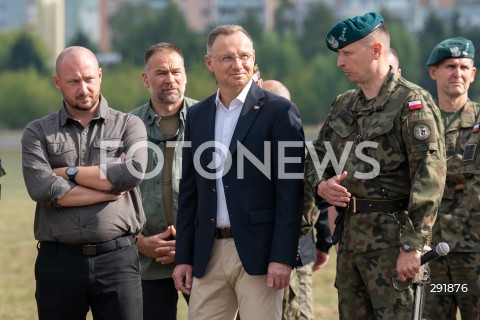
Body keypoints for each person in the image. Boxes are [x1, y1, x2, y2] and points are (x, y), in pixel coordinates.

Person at [304, 12, 446, 319]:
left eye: (346, 53)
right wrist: (321, 184)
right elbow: (316, 158)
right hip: (351, 242)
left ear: (376, 51)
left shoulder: (412, 104)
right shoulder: (344, 104)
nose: (340, 63)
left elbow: (429, 178)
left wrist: (413, 246)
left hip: (394, 244)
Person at [172, 24, 305, 320]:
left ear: (254, 58)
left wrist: (282, 256)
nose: (238, 64)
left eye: (244, 56)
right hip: (208, 254)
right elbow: (190, 191)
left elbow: (290, 192)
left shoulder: (279, 112)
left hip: (259, 254)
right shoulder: (197, 115)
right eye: (227, 58)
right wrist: (184, 257)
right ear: (209, 63)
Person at [21, 46, 148, 320]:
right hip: (58, 264)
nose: (83, 88)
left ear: (100, 75)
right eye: (73, 81)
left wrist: (66, 171)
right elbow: (41, 188)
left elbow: (133, 172)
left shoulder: (130, 125)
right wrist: (110, 190)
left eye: (89, 78)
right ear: (57, 82)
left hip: (117, 260)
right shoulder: (37, 132)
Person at [130, 42, 198, 320]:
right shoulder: (126, 126)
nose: (170, 79)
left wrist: (194, 241)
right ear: (145, 79)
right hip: (147, 260)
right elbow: (114, 195)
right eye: (160, 73)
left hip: (201, 257)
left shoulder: (208, 119)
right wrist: (137, 242)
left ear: (185, 75)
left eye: (176, 71)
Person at [263, 78, 331, 320]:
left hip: (296, 249)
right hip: (284, 248)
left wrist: (323, 244)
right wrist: (323, 244)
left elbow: (317, 201)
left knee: (297, 312)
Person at [423, 37, 480, 320]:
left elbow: (425, 174)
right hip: (429, 247)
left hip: (474, 247)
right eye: (449, 66)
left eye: (463, 66)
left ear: (473, 74)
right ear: (433, 71)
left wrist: (431, 174)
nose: (457, 73)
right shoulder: (418, 120)